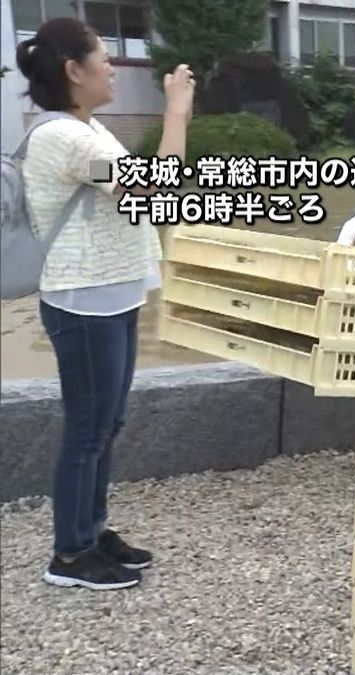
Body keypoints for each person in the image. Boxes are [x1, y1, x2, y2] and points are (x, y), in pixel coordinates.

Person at [16, 18, 195, 590]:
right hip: (82, 302)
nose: (113, 66)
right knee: (88, 430)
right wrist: (176, 113)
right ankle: (69, 555)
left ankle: (91, 531)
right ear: (74, 71)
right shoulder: (61, 139)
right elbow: (156, 187)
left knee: (106, 422)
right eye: (103, 57)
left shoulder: (87, 130)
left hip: (110, 296)